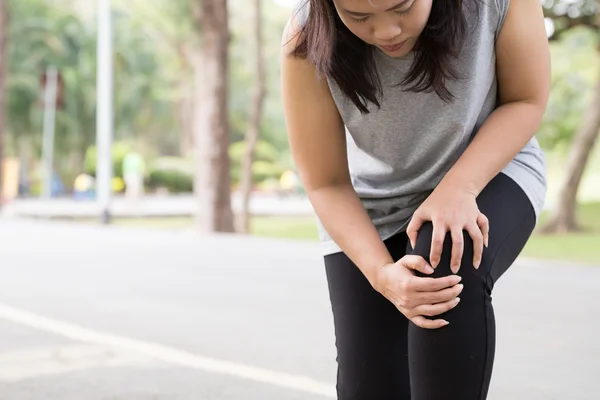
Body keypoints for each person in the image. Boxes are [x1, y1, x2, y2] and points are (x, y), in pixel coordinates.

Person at [280, 0, 550, 399]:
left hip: (489, 169)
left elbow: (525, 99)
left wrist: (459, 189)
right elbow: (327, 183)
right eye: (359, 17)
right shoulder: (306, 37)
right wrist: (381, 275)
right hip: (374, 204)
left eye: (402, 7)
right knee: (370, 387)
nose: (387, 31)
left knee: (441, 262)